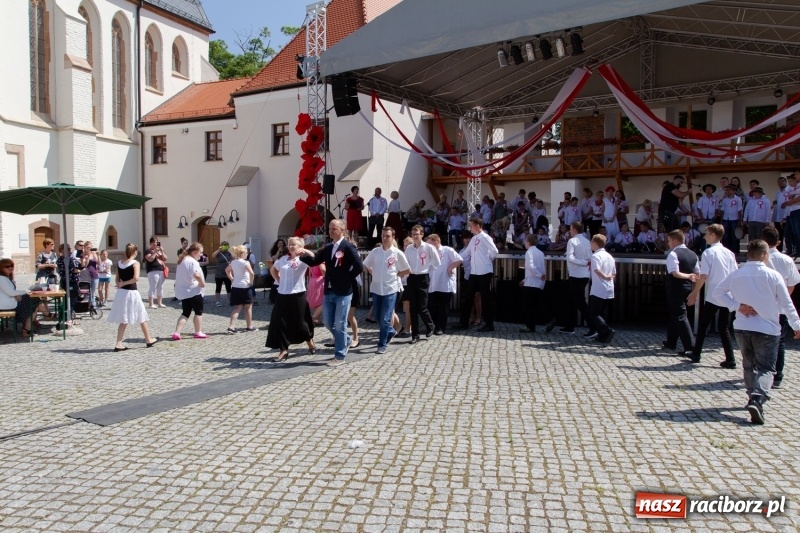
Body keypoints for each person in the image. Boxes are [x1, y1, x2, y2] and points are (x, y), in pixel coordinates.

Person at [712, 240, 800, 425]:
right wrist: (796, 325)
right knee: (766, 367)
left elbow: (717, 292)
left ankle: (752, 395)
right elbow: (786, 303)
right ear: (765, 255)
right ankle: (758, 399)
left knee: (748, 365)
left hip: (743, 327)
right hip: (767, 328)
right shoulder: (773, 275)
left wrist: (737, 306)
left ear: (748, 254)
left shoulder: (737, 274)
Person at [297, 219, 363, 367]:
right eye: (329, 228)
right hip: (329, 290)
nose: (330, 231)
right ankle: (345, 340)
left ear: (342, 230)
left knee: (340, 324)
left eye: (334, 228)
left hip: (343, 292)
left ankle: (339, 355)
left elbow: (359, 267)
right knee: (327, 321)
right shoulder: (328, 248)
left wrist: (347, 278)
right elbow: (315, 261)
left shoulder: (348, 247)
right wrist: (302, 256)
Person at [686, 224, 738, 367]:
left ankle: (696, 354)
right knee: (723, 326)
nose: (704, 236)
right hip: (727, 293)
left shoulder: (708, 253)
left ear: (713, 235)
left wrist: (695, 292)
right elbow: (734, 274)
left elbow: (703, 275)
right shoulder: (729, 253)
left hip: (714, 293)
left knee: (703, 325)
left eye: (707, 233)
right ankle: (730, 358)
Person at [266, 237, 316, 361]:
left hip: (298, 294)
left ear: (300, 246)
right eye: (290, 244)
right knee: (281, 322)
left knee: (301, 321)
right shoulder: (283, 259)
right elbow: (273, 270)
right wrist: (279, 280)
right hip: (282, 294)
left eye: (294, 244)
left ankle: (309, 340)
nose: (291, 246)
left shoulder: (302, 260)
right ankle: (283, 350)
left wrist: (304, 250)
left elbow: (314, 259)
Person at [363, 227, 411, 353]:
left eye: (387, 236)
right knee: (378, 316)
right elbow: (366, 264)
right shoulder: (375, 252)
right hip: (377, 288)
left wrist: (396, 275)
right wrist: (372, 271)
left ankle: (381, 344)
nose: (384, 238)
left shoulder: (397, 253)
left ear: (393, 237)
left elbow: (407, 270)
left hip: (390, 289)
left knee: (385, 318)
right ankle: (390, 331)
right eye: (383, 236)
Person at [762, 227, 800, 389]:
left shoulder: (759, 258)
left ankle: (761, 371)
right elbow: (792, 284)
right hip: (780, 306)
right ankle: (778, 375)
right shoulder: (786, 260)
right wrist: (783, 298)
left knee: (761, 339)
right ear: (778, 242)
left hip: (762, 305)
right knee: (780, 340)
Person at [105, 243, 158, 351]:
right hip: (131, 292)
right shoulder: (135, 263)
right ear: (134, 252)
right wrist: (124, 284)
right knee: (141, 315)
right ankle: (148, 339)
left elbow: (117, 279)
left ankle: (119, 343)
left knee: (124, 319)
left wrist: (121, 284)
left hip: (121, 293)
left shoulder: (120, 263)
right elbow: (136, 278)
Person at [455, 216, 499, 332]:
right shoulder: (474, 239)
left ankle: (489, 324)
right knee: (468, 296)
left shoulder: (485, 237)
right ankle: (463, 322)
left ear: (478, 226)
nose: (470, 228)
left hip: (484, 272)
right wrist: (456, 259)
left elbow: (495, 251)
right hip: (474, 272)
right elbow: (467, 252)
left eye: (471, 225)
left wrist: (487, 260)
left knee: (485, 298)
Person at [549, 221, 591, 333]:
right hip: (585, 274)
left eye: (570, 229)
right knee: (571, 301)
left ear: (574, 230)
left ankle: (594, 326)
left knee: (580, 302)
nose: (569, 231)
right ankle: (569, 326)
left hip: (576, 274)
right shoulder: (587, 241)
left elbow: (571, 258)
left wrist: (583, 262)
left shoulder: (572, 241)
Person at [663, 230, 699, 357]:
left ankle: (691, 346)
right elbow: (697, 274)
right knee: (674, 314)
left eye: (669, 241)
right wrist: (694, 290)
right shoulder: (693, 254)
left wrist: (688, 276)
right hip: (688, 288)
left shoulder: (673, 254)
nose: (668, 244)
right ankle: (671, 341)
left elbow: (675, 273)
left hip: (675, 287)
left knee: (680, 316)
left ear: (675, 241)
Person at [404, 224, 441, 343]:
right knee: (412, 308)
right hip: (412, 277)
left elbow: (436, 262)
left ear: (422, 234)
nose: (415, 236)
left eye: (417, 234)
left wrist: (427, 270)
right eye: (413, 234)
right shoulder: (409, 248)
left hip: (423, 277)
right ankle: (415, 335)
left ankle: (430, 325)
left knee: (422, 307)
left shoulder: (428, 247)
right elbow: (406, 263)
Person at [0, 258, 49, 337]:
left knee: (33, 302)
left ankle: (27, 329)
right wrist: (26, 291)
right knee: (32, 301)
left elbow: (9, 292)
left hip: (9, 301)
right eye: (7, 266)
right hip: (5, 305)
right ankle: (46, 314)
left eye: (12, 266)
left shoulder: (7, 278)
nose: (10, 268)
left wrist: (17, 295)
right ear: (1, 268)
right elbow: (10, 292)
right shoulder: (1, 278)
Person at [426, 233, 462, 336]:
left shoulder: (447, 250)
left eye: (430, 243)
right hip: (433, 283)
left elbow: (459, 260)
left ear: (436, 242)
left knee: (442, 307)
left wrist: (450, 268)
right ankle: (432, 326)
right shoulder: (429, 252)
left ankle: (440, 327)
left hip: (445, 284)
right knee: (432, 306)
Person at [171, 242, 207, 340]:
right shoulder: (192, 261)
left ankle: (177, 332)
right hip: (194, 291)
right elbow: (197, 275)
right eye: (200, 252)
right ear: (194, 252)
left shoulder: (182, 260)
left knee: (185, 313)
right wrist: (202, 283)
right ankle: (198, 332)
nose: (201, 254)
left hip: (184, 291)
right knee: (198, 312)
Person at [586, 235, 616, 343]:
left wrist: (605, 277)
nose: (590, 244)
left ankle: (606, 330)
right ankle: (602, 336)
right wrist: (609, 277)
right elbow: (614, 272)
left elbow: (597, 270)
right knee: (603, 313)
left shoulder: (595, 256)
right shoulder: (609, 256)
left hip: (599, 287)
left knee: (594, 312)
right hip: (609, 288)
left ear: (595, 243)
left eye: (591, 242)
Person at [225, 245, 257, 334]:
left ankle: (231, 326)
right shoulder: (245, 262)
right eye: (246, 253)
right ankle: (249, 326)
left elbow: (227, 270)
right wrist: (251, 282)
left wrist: (232, 279)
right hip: (245, 287)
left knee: (237, 307)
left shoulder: (233, 262)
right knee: (248, 307)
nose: (247, 254)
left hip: (236, 286)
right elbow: (252, 273)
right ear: (242, 253)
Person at [520, 234, 545, 333]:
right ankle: (533, 325)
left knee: (528, 306)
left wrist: (538, 275)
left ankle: (529, 326)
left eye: (525, 241)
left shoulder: (529, 252)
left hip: (531, 283)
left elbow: (530, 266)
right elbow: (543, 267)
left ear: (528, 242)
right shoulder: (540, 253)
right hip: (538, 283)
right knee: (536, 305)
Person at [143, 236, 168, 309]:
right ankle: (151, 304)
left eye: (156, 242)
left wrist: (162, 251)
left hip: (161, 270)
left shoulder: (160, 251)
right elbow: (150, 259)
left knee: (160, 287)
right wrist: (155, 252)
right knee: (153, 287)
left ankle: (160, 303)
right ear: (150, 243)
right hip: (152, 270)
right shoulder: (148, 251)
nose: (155, 243)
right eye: (153, 242)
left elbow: (165, 258)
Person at [718, 184, 743, 254]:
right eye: (727, 190)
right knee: (726, 235)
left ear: (733, 191)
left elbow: (739, 210)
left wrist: (739, 220)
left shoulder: (738, 199)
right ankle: (726, 251)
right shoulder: (725, 200)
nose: (728, 191)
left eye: (729, 190)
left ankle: (735, 251)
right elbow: (722, 209)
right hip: (726, 218)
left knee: (734, 235)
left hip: (734, 219)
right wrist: (721, 220)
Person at [57, 243, 81, 314]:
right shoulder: (61, 260)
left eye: (70, 248)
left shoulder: (72, 258)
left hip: (75, 282)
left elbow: (80, 267)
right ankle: (67, 317)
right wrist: (75, 270)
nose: (70, 250)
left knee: (73, 300)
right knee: (68, 301)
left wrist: (83, 258)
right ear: (62, 250)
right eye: (68, 249)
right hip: (67, 282)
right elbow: (68, 270)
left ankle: (69, 316)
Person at [211, 241, 233, 307]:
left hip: (227, 273)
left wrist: (230, 263)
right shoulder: (218, 252)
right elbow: (213, 256)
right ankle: (217, 301)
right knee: (218, 287)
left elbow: (232, 258)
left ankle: (230, 300)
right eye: (225, 245)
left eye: (227, 246)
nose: (226, 247)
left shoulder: (228, 253)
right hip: (219, 272)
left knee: (228, 287)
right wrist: (219, 250)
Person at [81, 241, 100, 308]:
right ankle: (87, 306)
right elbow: (84, 265)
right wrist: (88, 257)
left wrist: (98, 255)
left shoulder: (94, 254)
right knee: (86, 292)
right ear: (85, 248)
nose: (89, 249)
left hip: (94, 275)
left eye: (90, 247)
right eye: (88, 247)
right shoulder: (83, 255)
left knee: (93, 292)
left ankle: (93, 306)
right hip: (87, 275)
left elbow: (99, 263)